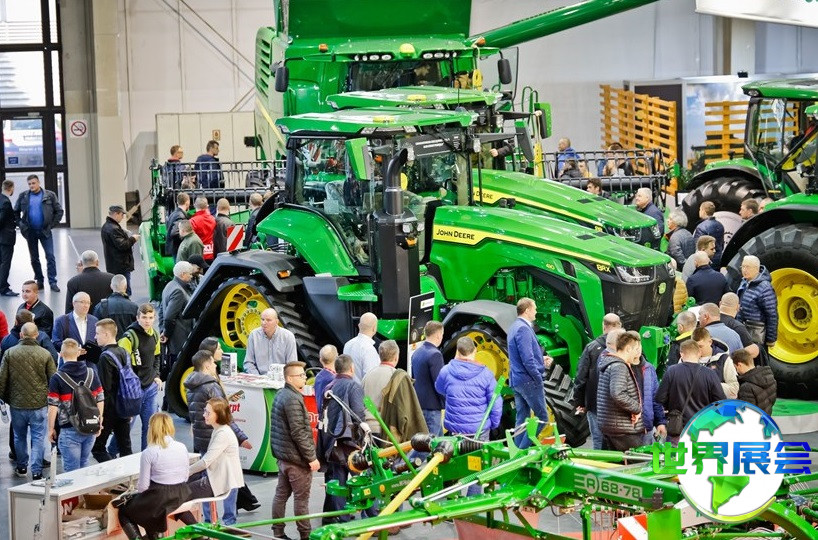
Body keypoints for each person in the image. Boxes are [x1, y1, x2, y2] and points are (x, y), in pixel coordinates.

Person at [184, 350, 253, 521]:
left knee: (207, 480)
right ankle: (229, 520)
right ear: (207, 365)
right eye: (213, 363)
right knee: (228, 479)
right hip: (215, 438)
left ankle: (209, 519)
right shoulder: (211, 386)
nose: (216, 365)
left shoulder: (190, 385)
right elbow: (224, 414)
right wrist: (241, 436)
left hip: (201, 438)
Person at [434, 337, 501, 494]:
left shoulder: (446, 371)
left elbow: (439, 388)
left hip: (455, 430)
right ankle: (472, 503)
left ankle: (453, 500)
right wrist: (494, 423)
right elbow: (496, 402)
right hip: (479, 429)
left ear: (457, 351)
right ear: (475, 351)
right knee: (477, 469)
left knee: (452, 465)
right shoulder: (486, 374)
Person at [117, 412, 193, 540]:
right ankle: (199, 532)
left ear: (151, 428)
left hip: (160, 497)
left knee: (124, 510)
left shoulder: (149, 452)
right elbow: (186, 476)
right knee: (152, 505)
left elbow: (143, 487)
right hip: (182, 493)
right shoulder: (182, 447)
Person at [318, 354, 370, 522]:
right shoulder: (353, 386)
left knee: (337, 481)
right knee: (363, 479)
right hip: (349, 442)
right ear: (352, 368)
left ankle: (338, 518)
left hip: (332, 441)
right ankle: (369, 518)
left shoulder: (329, 385)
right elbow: (358, 414)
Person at [271, 362, 320, 540]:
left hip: (284, 458)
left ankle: (278, 533)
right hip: (296, 460)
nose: (305, 378)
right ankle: (305, 536)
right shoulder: (292, 399)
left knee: (280, 496)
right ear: (290, 378)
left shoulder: (281, 394)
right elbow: (299, 432)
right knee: (301, 500)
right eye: (301, 375)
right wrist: (311, 457)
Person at [0, 322, 56, 479]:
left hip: (17, 404)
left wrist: (6, 399)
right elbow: (53, 379)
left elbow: (2, 380)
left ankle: (22, 467)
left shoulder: (10, 353)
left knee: (19, 436)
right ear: (37, 335)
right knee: (38, 437)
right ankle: (37, 471)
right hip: (39, 404)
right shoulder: (45, 354)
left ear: (21, 334)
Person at [47, 338, 104, 471]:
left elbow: (52, 406)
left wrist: (50, 429)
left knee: (71, 471)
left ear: (61, 354)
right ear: (78, 353)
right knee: (84, 465)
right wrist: (99, 421)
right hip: (90, 426)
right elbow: (100, 399)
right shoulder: (91, 373)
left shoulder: (57, 378)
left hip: (69, 428)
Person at [188, 398, 245, 527]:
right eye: (205, 411)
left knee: (182, 492)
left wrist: (187, 471)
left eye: (208, 413)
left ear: (219, 414)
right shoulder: (219, 430)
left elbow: (206, 462)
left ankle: (205, 526)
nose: (204, 415)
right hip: (221, 477)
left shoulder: (222, 433)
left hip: (222, 480)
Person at [656, 339, 726, 442]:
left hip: (678, 427)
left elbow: (659, 398)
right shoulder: (710, 374)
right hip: (702, 428)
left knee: (677, 452)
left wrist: (670, 407)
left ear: (681, 354)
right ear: (699, 353)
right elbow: (721, 402)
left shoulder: (672, 371)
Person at [572, 313, 621, 450]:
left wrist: (580, 402)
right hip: (619, 406)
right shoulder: (628, 347)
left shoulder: (591, 348)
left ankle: (600, 461)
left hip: (595, 405)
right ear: (619, 325)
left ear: (603, 326)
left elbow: (581, 377)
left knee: (598, 439)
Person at [508, 298, 551, 449]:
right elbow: (527, 359)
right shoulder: (523, 329)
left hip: (517, 380)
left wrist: (541, 359)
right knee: (542, 418)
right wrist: (538, 377)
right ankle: (522, 451)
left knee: (522, 418)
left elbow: (521, 356)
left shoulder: (514, 327)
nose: (536, 311)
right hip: (528, 380)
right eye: (535, 308)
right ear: (527, 310)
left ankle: (515, 453)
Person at [118, 303, 162, 451]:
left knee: (149, 426)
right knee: (126, 426)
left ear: (154, 318)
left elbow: (157, 357)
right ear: (138, 318)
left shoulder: (155, 335)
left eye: (150, 317)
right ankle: (112, 451)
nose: (147, 321)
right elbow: (122, 364)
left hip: (150, 388)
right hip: (133, 390)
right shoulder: (129, 337)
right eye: (144, 317)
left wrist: (156, 375)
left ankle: (146, 455)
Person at [91, 318, 135, 462]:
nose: (95, 337)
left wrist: (101, 414)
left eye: (97, 333)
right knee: (125, 447)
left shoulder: (105, 357)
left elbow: (105, 388)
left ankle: (112, 471)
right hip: (125, 405)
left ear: (106, 334)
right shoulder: (124, 352)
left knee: (98, 448)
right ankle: (127, 474)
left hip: (110, 409)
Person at [366, 340, 427, 442]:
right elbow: (407, 410)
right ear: (396, 357)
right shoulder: (400, 378)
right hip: (387, 432)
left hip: (368, 429)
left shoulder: (368, 375)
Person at [14, 174, 64, 292]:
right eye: (29, 184)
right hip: (30, 232)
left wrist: (51, 225)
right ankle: (40, 281)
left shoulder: (50, 195)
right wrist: (21, 225)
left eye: (33, 183)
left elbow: (59, 211)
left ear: (38, 183)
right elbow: (15, 212)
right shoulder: (23, 196)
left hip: (45, 231)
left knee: (50, 256)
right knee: (34, 258)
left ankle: (52, 282)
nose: (31, 185)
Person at [596, 330, 644, 451]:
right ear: (628, 349)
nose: (638, 353)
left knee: (614, 462)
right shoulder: (619, 367)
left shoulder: (609, 363)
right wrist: (637, 408)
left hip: (611, 425)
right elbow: (617, 393)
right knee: (638, 460)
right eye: (636, 349)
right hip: (622, 428)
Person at [158, 261, 196, 374]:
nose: (191, 276)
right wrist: (166, 334)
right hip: (180, 341)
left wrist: (162, 330)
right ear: (183, 274)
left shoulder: (170, 285)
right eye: (190, 274)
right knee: (180, 371)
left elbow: (161, 310)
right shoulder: (178, 291)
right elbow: (169, 317)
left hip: (175, 341)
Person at [736, 255, 778, 350]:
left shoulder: (765, 287)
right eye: (743, 266)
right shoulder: (744, 282)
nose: (744, 270)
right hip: (743, 331)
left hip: (756, 335)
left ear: (757, 268)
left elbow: (772, 315)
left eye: (748, 267)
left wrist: (771, 339)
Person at [411, 321, 445, 437]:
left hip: (420, 406)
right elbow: (439, 384)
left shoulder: (417, 353)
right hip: (432, 410)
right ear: (438, 335)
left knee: (440, 444)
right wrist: (447, 402)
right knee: (430, 444)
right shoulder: (435, 354)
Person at [243, 308, 297, 374]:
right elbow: (248, 362)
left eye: (268, 320)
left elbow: (292, 365)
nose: (264, 323)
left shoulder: (288, 336)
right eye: (262, 319)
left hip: (281, 378)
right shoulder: (253, 335)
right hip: (259, 377)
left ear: (277, 322)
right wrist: (258, 377)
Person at [361, 340, 399, 432]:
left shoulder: (367, 376)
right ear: (396, 357)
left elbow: (363, 401)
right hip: (387, 429)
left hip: (368, 427)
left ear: (380, 356)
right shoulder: (397, 376)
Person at [101, 205, 139, 295]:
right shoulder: (114, 229)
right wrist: (133, 239)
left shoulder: (107, 226)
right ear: (116, 214)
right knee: (125, 291)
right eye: (122, 215)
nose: (123, 217)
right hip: (121, 265)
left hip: (114, 264)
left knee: (116, 290)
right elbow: (123, 245)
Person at [692, 327, 739, 399]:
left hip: (716, 404)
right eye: (695, 347)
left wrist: (711, 385)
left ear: (710, 342)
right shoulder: (686, 358)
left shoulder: (723, 359)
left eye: (701, 346)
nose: (698, 350)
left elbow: (734, 389)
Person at [52, 292, 98, 357]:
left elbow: (97, 341)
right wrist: (73, 349)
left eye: (88, 303)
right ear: (74, 303)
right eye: (82, 302)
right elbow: (56, 343)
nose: (86, 305)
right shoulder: (61, 321)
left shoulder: (94, 320)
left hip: (89, 361)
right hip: (70, 360)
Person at [93, 274, 139, 338]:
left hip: (108, 342)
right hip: (128, 342)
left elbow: (95, 328)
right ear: (126, 287)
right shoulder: (134, 307)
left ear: (111, 286)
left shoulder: (101, 306)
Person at [719, 292, 761, 363]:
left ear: (720, 303)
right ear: (738, 307)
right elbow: (752, 351)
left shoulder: (709, 320)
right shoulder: (738, 327)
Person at [733, 350, 776, 415]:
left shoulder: (746, 387)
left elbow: (747, 413)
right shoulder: (769, 377)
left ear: (739, 365)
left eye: (735, 368)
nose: (736, 371)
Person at [342, 312, 380, 383]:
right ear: (374, 328)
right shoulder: (369, 349)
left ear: (359, 326)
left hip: (349, 388)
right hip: (362, 390)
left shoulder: (347, 344)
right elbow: (370, 379)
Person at [693, 201, 724, 267]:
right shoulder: (720, 225)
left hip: (706, 261)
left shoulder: (701, 227)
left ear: (703, 211)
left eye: (700, 209)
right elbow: (722, 244)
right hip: (718, 260)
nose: (699, 211)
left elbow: (698, 247)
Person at [0, 180, 17, 296]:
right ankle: (3, 288)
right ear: (11, 188)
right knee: (5, 263)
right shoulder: (6, 202)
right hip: (6, 238)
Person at [189, 197, 216, 261]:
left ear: (194, 205)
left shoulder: (192, 221)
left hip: (197, 253)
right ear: (207, 206)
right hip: (210, 253)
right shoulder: (213, 219)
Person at [165, 192, 191, 258]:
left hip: (174, 248)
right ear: (187, 202)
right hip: (177, 249)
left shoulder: (173, 214)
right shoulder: (180, 216)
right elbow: (174, 232)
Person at [313, 344, 337, 413]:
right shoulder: (335, 379)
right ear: (336, 357)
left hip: (320, 414)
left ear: (320, 360)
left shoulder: (318, 377)